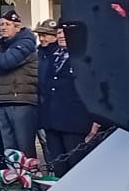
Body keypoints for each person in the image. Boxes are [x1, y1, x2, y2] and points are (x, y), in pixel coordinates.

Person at [0, 5, 40, 165]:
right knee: (10, 149)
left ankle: (30, 183)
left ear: (17, 26)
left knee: (24, 148)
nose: (3, 28)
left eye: (7, 25)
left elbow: (7, 62)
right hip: (5, 100)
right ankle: (14, 182)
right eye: (1, 25)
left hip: (21, 100)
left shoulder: (26, 43)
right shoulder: (5, 45)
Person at [36, 21, 96, 173]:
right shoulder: (52, 57)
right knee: (59, 167)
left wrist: (96, 123)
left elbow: (93, 91)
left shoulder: (84, 57)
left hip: (74, 122)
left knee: (76, 168)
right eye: (59, 32)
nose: (61, 35)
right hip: (52, 121)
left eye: (64, 32)